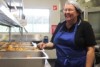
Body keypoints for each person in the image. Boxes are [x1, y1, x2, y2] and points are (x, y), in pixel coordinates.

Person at [38, 0, 97, 67]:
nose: (67, 12)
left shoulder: (85, 26)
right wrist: (44, 45)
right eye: (65, 10)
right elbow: (53, 43)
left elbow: (91, 50)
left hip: (78, 64)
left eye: (70, 10)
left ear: (77, 12)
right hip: (60, 64)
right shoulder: (60, 25)